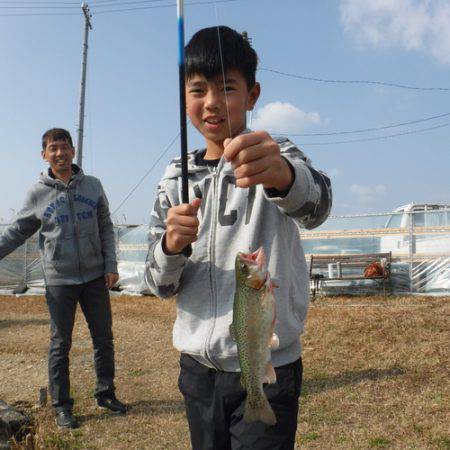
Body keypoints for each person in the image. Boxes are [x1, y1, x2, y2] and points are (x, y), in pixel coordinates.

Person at [145, 26, 332, 449]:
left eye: (227, 87)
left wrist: (285, 178)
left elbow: (317, 207)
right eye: (197, 90)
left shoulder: (274, 152)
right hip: (198, 371)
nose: (211, 102)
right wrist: (170, 247)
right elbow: (158, 284)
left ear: (252, 95)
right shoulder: (175, 178)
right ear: (184, 97)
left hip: (270, 366)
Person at [0, 128, 127, 429]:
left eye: (64, 146)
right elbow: (18, 230)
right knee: (60, 343)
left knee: (103, 338)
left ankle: (105, 393)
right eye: (53, 148)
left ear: (72, 151)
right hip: (59, 280)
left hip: (95, 276)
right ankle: (61, 405)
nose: (59, 153)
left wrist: (110, 264)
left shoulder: (93, 186)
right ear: (44, 155)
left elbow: (106, 227)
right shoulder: (37, 193)